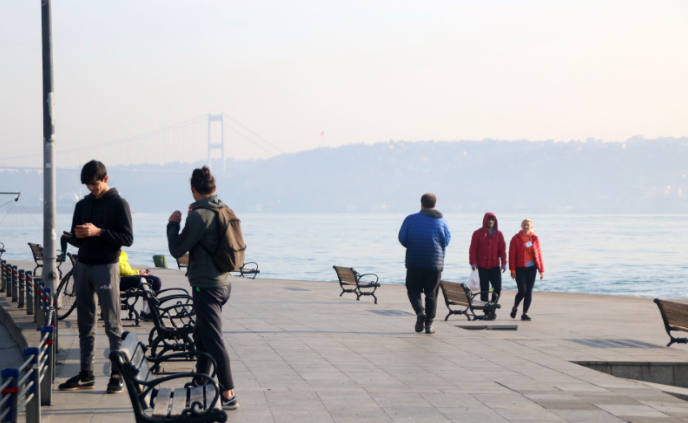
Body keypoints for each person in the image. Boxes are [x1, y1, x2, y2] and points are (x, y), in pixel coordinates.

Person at [167, 166, 238, 410]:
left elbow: (177, 250)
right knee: (202, 335)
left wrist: (173, 225)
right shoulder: (223, 209)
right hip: (224, 283)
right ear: (214, 188)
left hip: (206, 287)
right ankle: (201, 383)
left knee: (214, 339)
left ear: (193, 189)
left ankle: (228, 394)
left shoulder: (197, 216)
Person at [58, 160, 133, 394]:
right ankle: (86, 374)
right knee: (85, 324)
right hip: (83, 265)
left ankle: (117, 374)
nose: (91, 189)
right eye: (88, 186)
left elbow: (128, 238)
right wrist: (74, 236)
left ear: (106, 179)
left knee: (112, 323)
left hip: (106, 266)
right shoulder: (82, 205)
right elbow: (79, 239)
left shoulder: (120, 204)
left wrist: (98, 231)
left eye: (95, 184)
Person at [398, 193, 451, 334]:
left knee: (413, 289)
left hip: (414, 261)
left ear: (421, 204)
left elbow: (402, 238)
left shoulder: (410, 219)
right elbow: (446, 241)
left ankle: (420, 311)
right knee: (431, 294)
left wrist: (413, 244)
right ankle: (429, 324)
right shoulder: (442, 221)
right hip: (435, 263)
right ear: (435, 205)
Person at [468, 213, 506, 319]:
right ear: (485, 221)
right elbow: (472, 249)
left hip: (494, 268)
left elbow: (502, 250)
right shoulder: (477, 233)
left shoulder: (499, 234)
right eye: (489, 220)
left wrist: (504, 263)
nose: (490, 222)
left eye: (492, 220)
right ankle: (486, 311)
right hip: (482, 268)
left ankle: (492, 308)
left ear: (495, 221)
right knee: (484, 289)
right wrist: (473, 263)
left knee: (496, 288)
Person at [508, 218, 545, 321]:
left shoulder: (535, 238)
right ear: (521, 226)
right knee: (522, 290)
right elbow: (511, 255)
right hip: (520, 268)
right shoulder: (516, 238)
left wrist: (541, 270)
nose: (526, 226)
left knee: (529, 291)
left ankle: (525, 313)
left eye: (528, 225)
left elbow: (539, 254)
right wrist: (512, 270)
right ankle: (515, 307)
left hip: (532, 268)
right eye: (524, 224)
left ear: (531, 226)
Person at [118, 251, 162, 321]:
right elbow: (121, 269)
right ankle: (147, 312)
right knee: (154, 281)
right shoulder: (113, 250)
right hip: (119, 280)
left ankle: (147, 311)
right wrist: (138, 272)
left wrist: (138, 272)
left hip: (120, 278)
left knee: (151, 279)